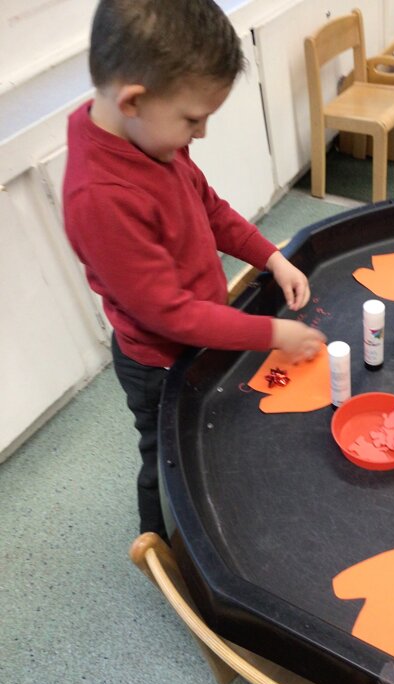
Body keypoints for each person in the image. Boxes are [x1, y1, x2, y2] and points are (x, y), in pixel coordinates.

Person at [63, 0, 326, 540]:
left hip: (201, 332)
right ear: (133, 100)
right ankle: (162, 546)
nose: (200, 133)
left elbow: (210, 209)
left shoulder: (155, 141)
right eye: (192, 119)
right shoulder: (100, 198)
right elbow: (173, 315)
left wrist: (271, 257)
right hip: (158, 363)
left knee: (210, 432)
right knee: (166, 461)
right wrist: (271, 333)